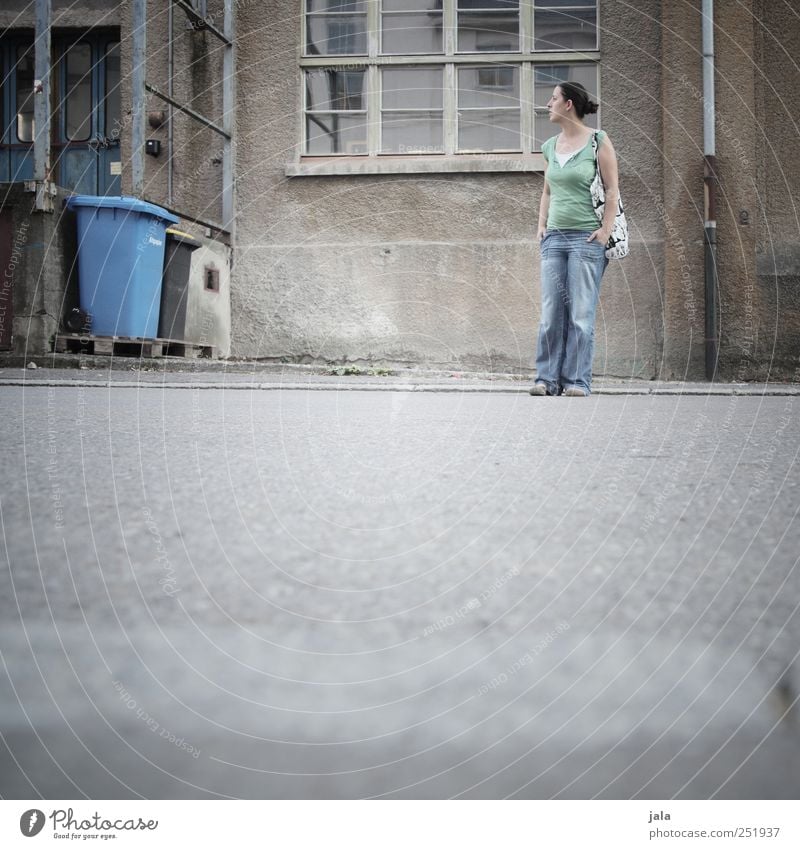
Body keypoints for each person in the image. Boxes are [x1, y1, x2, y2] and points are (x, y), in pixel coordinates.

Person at [530, 81, 620, 397]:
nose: (548, 103)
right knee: (551, 314)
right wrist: (541, 225)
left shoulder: (598, 141)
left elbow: (612, 190)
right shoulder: (550, 146)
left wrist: (605, 231)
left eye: (553, 98)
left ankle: (577, 381)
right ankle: (546, 379)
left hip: (586, 238)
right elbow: (547, 190)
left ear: (568, 104)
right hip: (554, 238)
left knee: (580, 314)